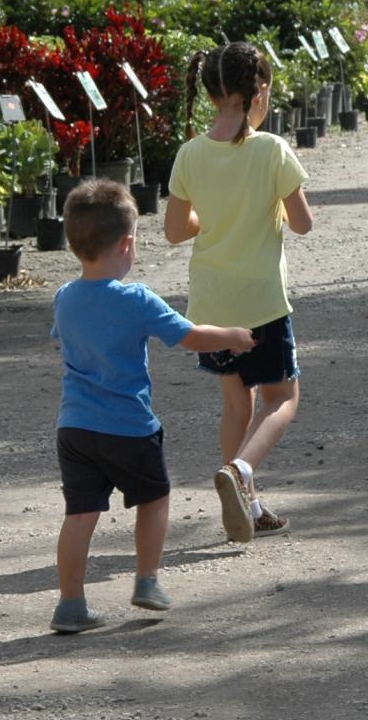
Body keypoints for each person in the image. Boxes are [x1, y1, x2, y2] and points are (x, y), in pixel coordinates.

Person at [50, 180, 256, 634]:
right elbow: (191, 336)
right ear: (127, 244)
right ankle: (146, 580)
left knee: (79, 514)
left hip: (75, 428)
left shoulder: (64, 297)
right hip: (129, 426)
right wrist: (234, 336)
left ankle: (70, 604)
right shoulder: (136, 299)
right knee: (154, 498)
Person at [165, 42, 315, 543]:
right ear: (260, 90)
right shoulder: (272, 149)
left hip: (210, 303)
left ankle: (247, 507)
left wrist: (213, 216)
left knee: (236, 403)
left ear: (210, 94)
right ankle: (240, 471)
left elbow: (174, 230)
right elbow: (302, 223)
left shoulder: (190, 153)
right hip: (261, 301)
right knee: (283, 397)